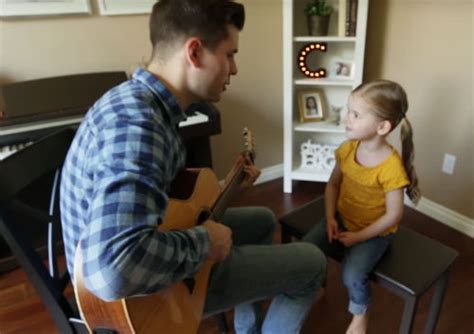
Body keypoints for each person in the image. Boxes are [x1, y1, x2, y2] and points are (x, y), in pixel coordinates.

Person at [60, 1, 326, 333]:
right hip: (141, 298)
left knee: (263, 220)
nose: (234, 69)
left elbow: (165, 200)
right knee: (313, 264)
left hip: (150, 241)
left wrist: (227, 188)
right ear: (195, 53)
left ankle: (249, 327)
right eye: (230, 54)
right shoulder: (139, 127)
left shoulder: (135, 99)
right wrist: (204, 244)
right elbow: (114, 271)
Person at [303, 80, 420, 334]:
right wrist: (330, 217)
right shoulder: (346, 149)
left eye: (356, 115)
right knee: (308, 249)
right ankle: (316, 286)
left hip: (374, 232)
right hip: (342, 218)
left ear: (382, 126)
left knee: (352, 275)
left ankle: (360, 314)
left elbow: (394, 215)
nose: (348, 118)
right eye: (348, 111)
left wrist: (358, 237)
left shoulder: (391, 168)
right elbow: (333, 185)